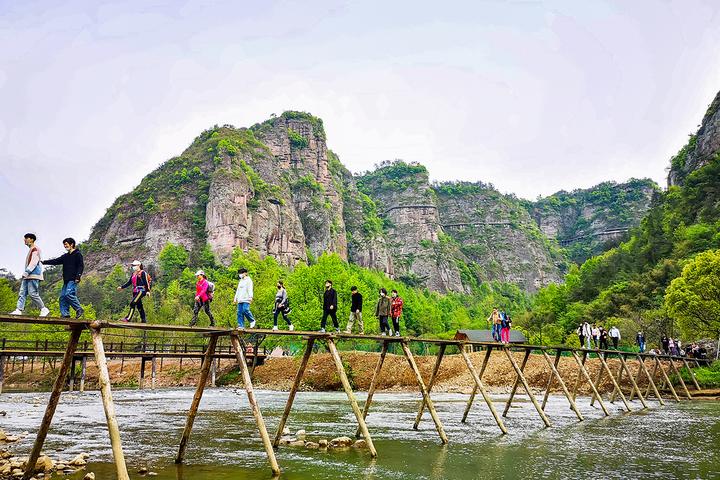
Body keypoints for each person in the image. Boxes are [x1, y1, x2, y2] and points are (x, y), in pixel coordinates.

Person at [42, 237, 84, 318]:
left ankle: (79, 308)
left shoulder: (77, 254)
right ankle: (65, 314)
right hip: (66, 280)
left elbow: (81, 266)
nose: (65, 246)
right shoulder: (65, 256)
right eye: (64, 245)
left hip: (73, 279)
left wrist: (78, 276)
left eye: (66, 244)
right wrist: (43, 262)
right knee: (62, 297)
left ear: (72, 244)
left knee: (68, 294)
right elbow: (55, 261)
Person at [10, 233, 50, 317]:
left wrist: (27, 271)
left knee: (33, 293)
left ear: (31, 239)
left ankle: (43, 308)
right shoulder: (31, 249)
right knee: (22, 292)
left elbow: (34, 262)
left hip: (33, 275)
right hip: (27, 275)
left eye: (26, 238)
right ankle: (19, 309)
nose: (24, 240)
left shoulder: (35, 249)